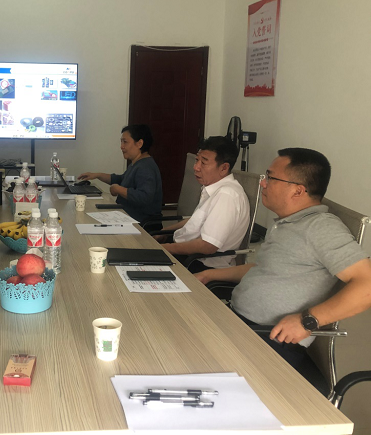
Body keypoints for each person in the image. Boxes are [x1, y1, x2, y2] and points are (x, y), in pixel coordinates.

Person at [195, 148, 371, 384]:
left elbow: (367, 285)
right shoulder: (288, 223)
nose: (263, 184)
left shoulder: (321, 227)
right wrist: (209, 274)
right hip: (239, 323)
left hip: (268, 340)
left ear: (298, 190)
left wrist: (308, 321)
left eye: (270, 178)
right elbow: (264, 268)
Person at [157, 136, 249, 273]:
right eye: (197, 160)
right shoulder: (214, 188)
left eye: (204, 163)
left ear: (224, 168)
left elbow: (207, 246)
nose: (196, 167)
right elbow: (197, 220)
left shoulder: (226, 196)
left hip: (199, 263)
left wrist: (165, 248)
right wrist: (163, 232)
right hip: (186, 251)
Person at [77, 124, 162, 224]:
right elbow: (122, 179)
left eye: (125, 142)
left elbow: (144, 197)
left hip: (141, 223)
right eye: (121, 142)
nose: (121, 146)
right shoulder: (137, 163)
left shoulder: (145, 167)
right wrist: (97, 175)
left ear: (139, 143)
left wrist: (118, 189)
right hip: (127, 216)